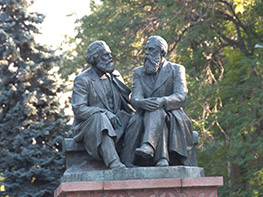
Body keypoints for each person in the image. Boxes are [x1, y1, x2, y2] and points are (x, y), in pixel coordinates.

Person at [126, 36, 197, 167]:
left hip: (172, 113)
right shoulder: (138, 72)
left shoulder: (176, 69)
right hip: (145, 113)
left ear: (162, 52)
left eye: (151, 49)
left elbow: (181, 96)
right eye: (146, 49)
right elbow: (135, 98)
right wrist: (143, 103)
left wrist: (163, 101)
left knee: (158, 112)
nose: (146, 53)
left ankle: (150, 147)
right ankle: (161, 158)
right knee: (155, 112)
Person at [71, 40, 133, 169]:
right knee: (101, 118)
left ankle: (130, 161)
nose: (110, 57)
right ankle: (113, 163)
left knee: (137, 119)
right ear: (95, 58)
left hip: (116, 123)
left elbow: (128, 103)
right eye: (106, 55)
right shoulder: (83, 80)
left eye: (110, 54)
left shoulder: (114, 76)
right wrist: (104, 112)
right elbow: (79, 109)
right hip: (90, 126)